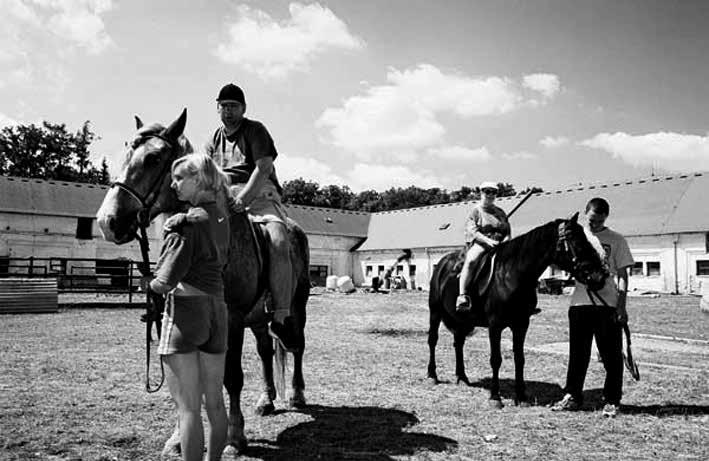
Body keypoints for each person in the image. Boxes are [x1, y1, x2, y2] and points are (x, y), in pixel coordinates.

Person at [146, 153, 231, 461]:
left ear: (200, 179)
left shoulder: (187, 226)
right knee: (215, 404)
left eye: (180, 177)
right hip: (218, 312)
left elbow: (165, 282)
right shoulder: (221, 217)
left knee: (188, 410)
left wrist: (148, 284)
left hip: (186, 312)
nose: (174, 183)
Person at [205, 83, 299, 351]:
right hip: (223, 199)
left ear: (244, 109)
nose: (228, 111)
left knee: (279, 241)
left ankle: (281, 316)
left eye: (233, 106)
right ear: (217, 108)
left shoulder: (255, 130)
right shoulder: (213, 139)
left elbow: (264, 168)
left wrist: (242, 200)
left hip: (258, 196)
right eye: (223, 106)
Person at [551, 197, 634, 418]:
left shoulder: (616, 240)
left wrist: (621, 306)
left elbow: (623, 275)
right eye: (591, 220)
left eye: (599, 221)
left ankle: (612, 400)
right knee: (578, 354)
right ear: (585, 214)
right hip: (579, 304)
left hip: (607, 305)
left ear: (606, 218)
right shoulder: (578, 236)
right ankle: (573, 396)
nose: (594, 225)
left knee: (611, 355)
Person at [456, 181, 511, 313]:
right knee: (471, 261)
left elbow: (507, 230)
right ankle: (462, 296)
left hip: (501, 244)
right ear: (481, 193)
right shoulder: (476, 211)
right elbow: (473, 231)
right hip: (482, 244)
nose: (490, 195)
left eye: (494, 192)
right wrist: (488, 241)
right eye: (487, 191)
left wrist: (506, 240)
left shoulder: (501, 212)